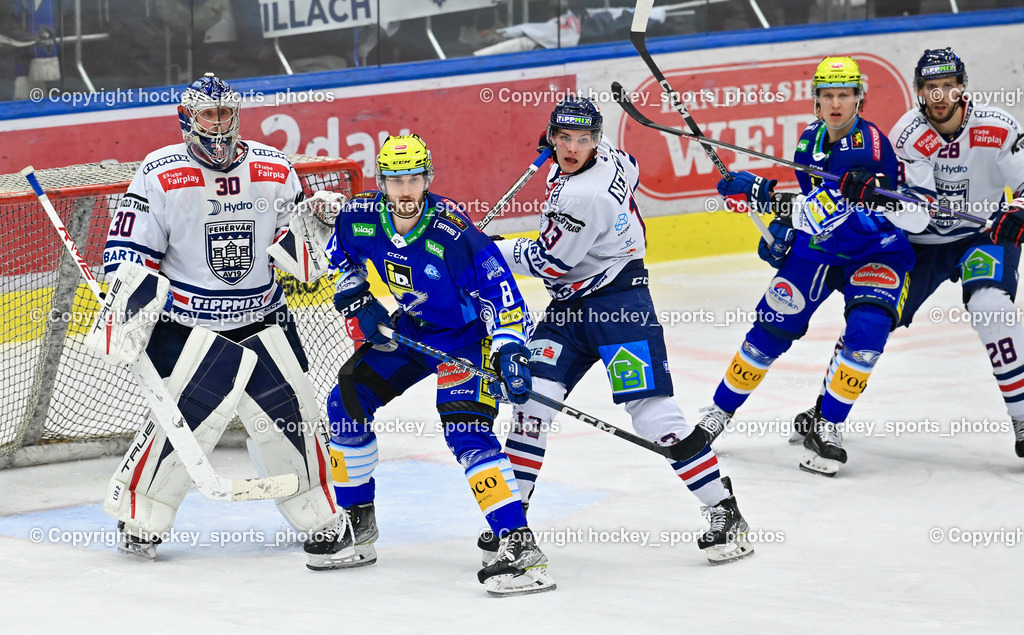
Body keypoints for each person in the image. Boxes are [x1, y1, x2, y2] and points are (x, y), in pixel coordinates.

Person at [490, 96, 754, 564]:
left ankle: (724, 510)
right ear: (552, 136)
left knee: (652, 413)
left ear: (595, 141)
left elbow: (553, 261)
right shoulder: (609, 153)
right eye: (565, 138)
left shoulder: (582, 195)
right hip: (570, 310)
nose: (573, 148)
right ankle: (513, 521)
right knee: (530, 404)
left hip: (619, 306)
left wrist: (491, 251)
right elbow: (629, 166)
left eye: (583, 140)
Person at [94, 73, 340, 560]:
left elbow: (301, 257)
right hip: (190, 328)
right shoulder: (159, 172)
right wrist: (128, 305)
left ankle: (318, 512)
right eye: (210, 115)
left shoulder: (274, 167)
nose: (220, 124)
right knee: (183, 426)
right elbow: (128, 251)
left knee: (297, 421)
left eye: (226, 114)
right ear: (187, 119)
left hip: (265, 318)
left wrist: (321, 223)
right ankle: (141, 516)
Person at [305, 134, 554, 597]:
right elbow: (340, 258)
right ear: (382, 182)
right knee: (346, 403)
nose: (404, 190)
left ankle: (520, 548)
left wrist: (510, 350)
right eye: (395, 180)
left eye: (414, 179)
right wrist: (356, 295)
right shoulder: (360, 217)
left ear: (428, 179)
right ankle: (359, 528)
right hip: (412, 328)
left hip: (466, 337)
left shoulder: (453, 231)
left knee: (466, 431)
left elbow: (501, 293)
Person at [698, 56, 918, 477]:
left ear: (859, 99)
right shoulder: (808, 142)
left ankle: (829, 425)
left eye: (845, 95)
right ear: (816, 101)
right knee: (768, 332)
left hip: (876, 250)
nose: (836, 103)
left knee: (868, 332)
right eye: (828, 95)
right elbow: (813, 217)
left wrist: (761, 192)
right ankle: (717, 415)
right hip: (822, 251)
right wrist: (781, 233)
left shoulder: (869, 147)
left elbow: (827, 210)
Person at [887, 47, 1024, 457]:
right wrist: (911, 204)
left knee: (991, 308)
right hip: (923, 244)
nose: (942, 96)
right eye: (933, 88)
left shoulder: (998, 127)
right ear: (919, 91)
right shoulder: (906, 135)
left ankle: (1022, 416)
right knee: (873, 316)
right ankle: (828, 409)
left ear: (963, 88)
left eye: (949, 86)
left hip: (981, 235)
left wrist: (1018, 211)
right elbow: (913, 206)